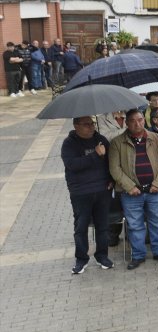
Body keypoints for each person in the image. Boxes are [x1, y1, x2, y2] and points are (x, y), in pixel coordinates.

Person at [109, 109, 158, 270]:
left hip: (154, 190)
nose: (138, 124)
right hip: (131, 193)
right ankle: (138, 255)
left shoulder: (156, 138)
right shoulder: (117, 143)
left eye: (140, 120)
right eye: (133, 121)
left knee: (157, 222)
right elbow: (115, 168)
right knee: (135, 225)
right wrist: (129, 186)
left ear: (145, 120)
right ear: (127, 123)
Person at [62, 116, 114, 274]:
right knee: (81, 226)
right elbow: (73, 165)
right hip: (80, 191)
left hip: (102, 190)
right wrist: (95, 155)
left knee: (103, 226)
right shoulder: (69, 144)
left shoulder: (101, 140)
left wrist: (111, 179)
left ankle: (102, 256)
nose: (91, 127)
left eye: (92, 123)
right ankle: (81, 259)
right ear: (76, 126)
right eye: (86, 124)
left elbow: (111, 162)